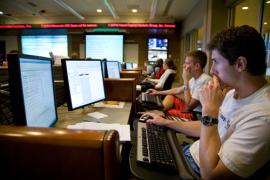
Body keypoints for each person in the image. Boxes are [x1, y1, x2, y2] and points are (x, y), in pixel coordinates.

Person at [144, 25, 270, 179]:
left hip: (194, 171)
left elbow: (210, 175)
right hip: (191, 152)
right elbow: (209, 127)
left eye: (216, 62)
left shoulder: (263, 117)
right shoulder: (232, 94)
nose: (211, 70)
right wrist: (166, 122)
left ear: (240, 64)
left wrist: (209, 110)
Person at [148, 50, 211, 119]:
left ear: (197, 66)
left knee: (168, 111)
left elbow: (189, 106)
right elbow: (177, 90)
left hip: (196, 114)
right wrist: (157, 92)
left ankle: (155, 115)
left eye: (187, 63)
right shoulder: (194, 79)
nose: (184, 65)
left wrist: (186, 80)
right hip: (190, 109)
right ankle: (157, 113)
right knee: (170, 96)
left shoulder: (204, 80)